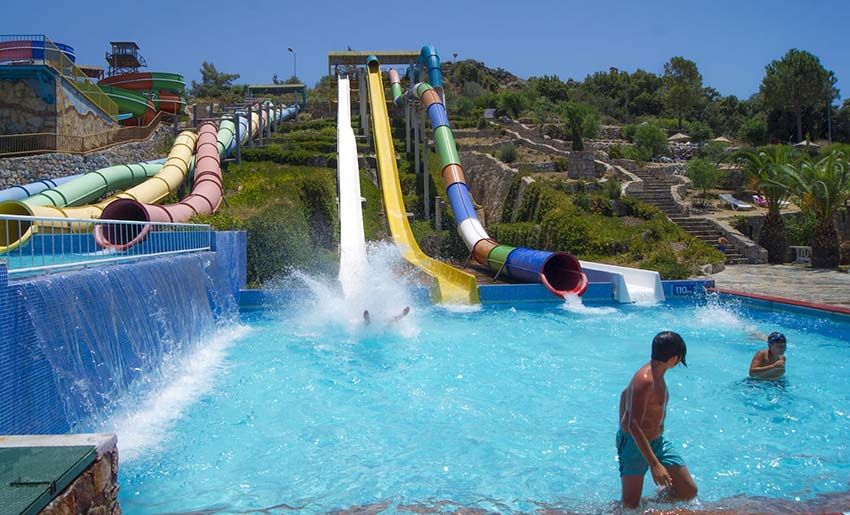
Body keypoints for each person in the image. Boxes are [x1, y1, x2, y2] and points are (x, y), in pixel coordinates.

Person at [617, 331, 698, 509]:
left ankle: (648, 505)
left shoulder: (657, 374)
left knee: (688, 490)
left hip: (657, 441)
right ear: (674, 358)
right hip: (634, 443)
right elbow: (633, 425)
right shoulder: (645, 380)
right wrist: (655, 465)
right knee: (630, 504)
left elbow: (624, 393)